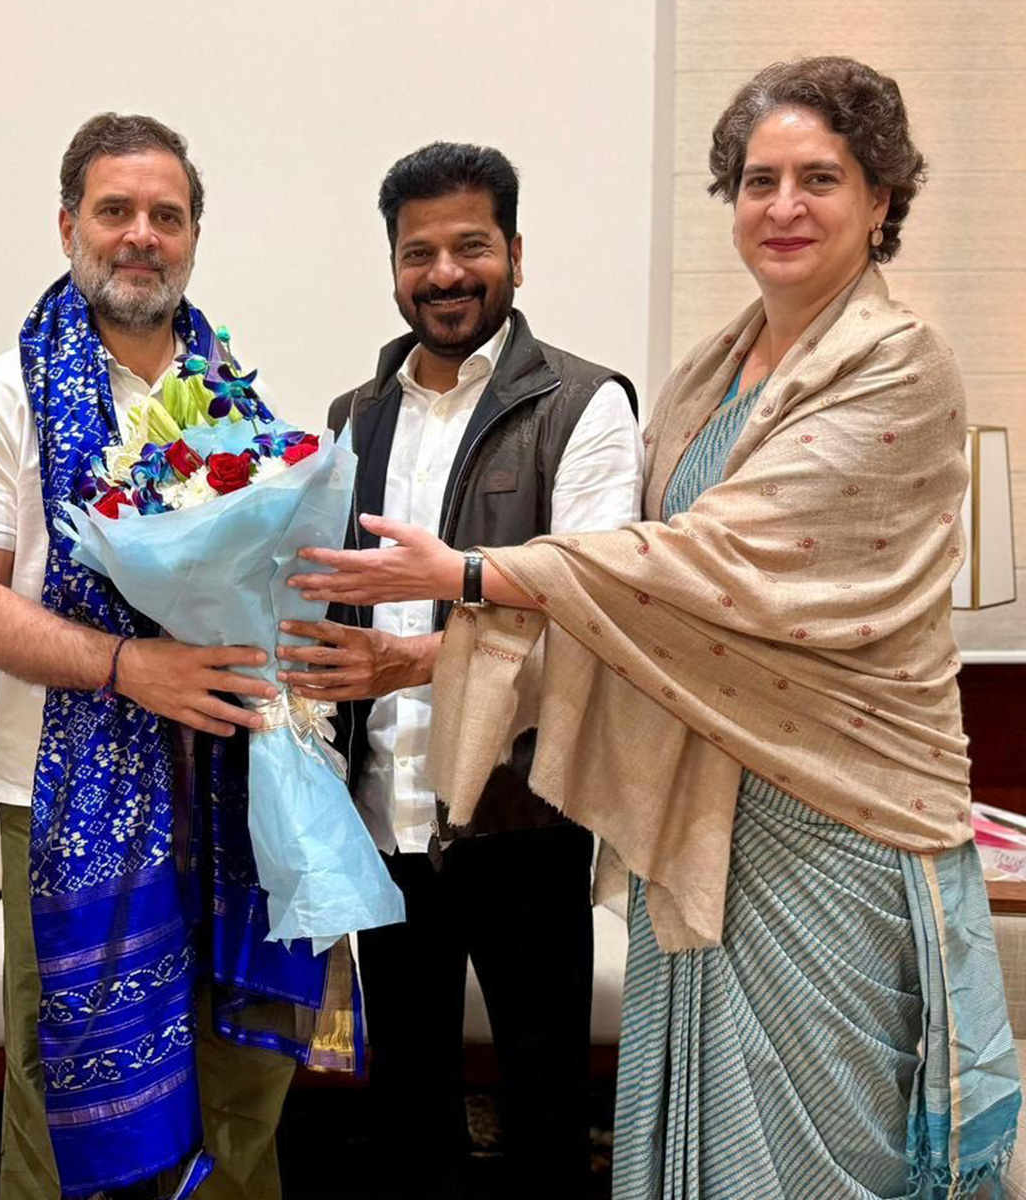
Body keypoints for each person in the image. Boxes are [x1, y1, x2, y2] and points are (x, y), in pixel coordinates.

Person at [289, 57, 1020, 1199]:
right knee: (674, 1122)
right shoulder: (712, 370)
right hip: (695, 807)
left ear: (881, 200)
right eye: (759, 179)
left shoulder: (892, 366)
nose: (783, 206)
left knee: (815, 1124)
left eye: (818, 178)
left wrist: (471, 576)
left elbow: (704, 562)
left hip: (825, 806)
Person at [0, 112, 359, 1200]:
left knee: (239, 1067)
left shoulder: (237, 406)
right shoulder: (1, 398)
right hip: (64, 797)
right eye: (115, 211)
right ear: (68, 225)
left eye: (166, 216)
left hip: (228, 777)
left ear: (194, 237)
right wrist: (130, 668)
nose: (140, 236)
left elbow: (271, 585)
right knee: (66, 1082)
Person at [276, 141, 641, 1198]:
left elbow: (593, 606)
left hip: (521, 817)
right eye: (417, 252)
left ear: (515, 255)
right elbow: (328, 591)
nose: (444, 273)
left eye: (469, 246)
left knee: (540, 1110)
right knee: (405, 1113)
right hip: (381, 819)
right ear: (392, 266)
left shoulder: (581, 405)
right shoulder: (353, 415)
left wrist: (408, 661)